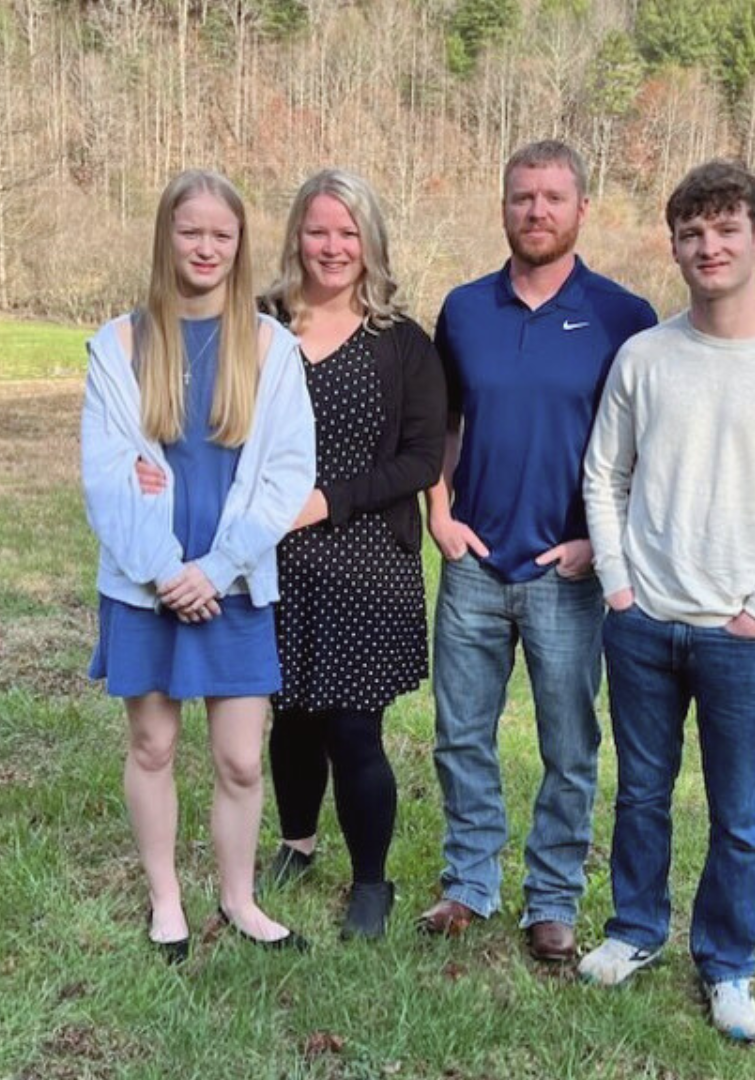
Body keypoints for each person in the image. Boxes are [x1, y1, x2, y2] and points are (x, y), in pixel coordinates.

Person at [580, 160, 755, 1039]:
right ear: (675, 247)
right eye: (692, 234)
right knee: (641, 796)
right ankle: (634, 930)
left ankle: (729, 964)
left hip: (741, 634)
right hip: (644, 623)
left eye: (726, 229)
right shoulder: (646, 356)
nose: (709, 247)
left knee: (740, 815)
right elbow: (604, 474)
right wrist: (620, 587)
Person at [421, 140, 657, 962]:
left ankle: (552, 897)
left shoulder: (625, 317)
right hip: (474, 563)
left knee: (568, 742)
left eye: (554, 197)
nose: (537, 211)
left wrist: (602, 537)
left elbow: (640, 450)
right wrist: (439, 511)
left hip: (567, 572)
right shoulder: (463, 309)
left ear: (581, 208)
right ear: (503, 207)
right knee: (461, 733)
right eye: (523, 197)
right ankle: (470, 881)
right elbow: (440, 425)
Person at [82, 169, 316, 961]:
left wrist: (214, 569)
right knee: (151, 746)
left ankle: (240, 898)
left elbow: (285, 474)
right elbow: (109, 475)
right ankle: (166, 902)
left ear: (240, 242)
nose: (206, 247)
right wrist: (162, 571)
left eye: (222, 234)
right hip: (145, 589)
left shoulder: (271, 348)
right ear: (166, 236)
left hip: (235, 584)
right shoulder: (120, 344)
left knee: (242, 758)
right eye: (192, 232)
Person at [259, 169, 446, 940]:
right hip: (270, 562)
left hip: (367, 564)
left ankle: (372, 882)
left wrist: (325, 501)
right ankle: (297, 844)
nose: (332, 247)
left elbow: (422, 460)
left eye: (348, 232)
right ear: (296, 237)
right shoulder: (262, 324)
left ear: (370, 242)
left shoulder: (401, 343)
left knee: (352, 730)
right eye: (318, 230)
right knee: (289, 717)